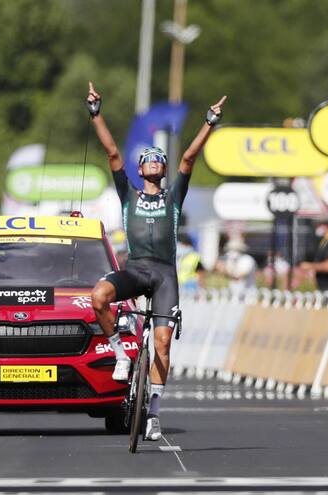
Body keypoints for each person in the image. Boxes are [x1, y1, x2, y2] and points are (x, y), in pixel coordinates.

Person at [87, 81, 226, 441]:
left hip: (164, 275)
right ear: (140, 169)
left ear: (162, 170)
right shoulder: (128, 195)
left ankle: (153, 413)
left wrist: (209, 123)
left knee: (162, 342)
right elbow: (112, 152)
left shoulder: (174, 196)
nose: (152, 161)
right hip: (135, 269)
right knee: (98, 296)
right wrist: (96, 114)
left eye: (158, 159)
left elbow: (189, 158)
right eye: (147, 158)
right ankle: (120, 354)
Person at [299, 218, 328, 292]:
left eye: (318, 225)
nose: (316, 228)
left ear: (326, 225)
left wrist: (309, 266)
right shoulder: (326, 240)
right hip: (326, 287)